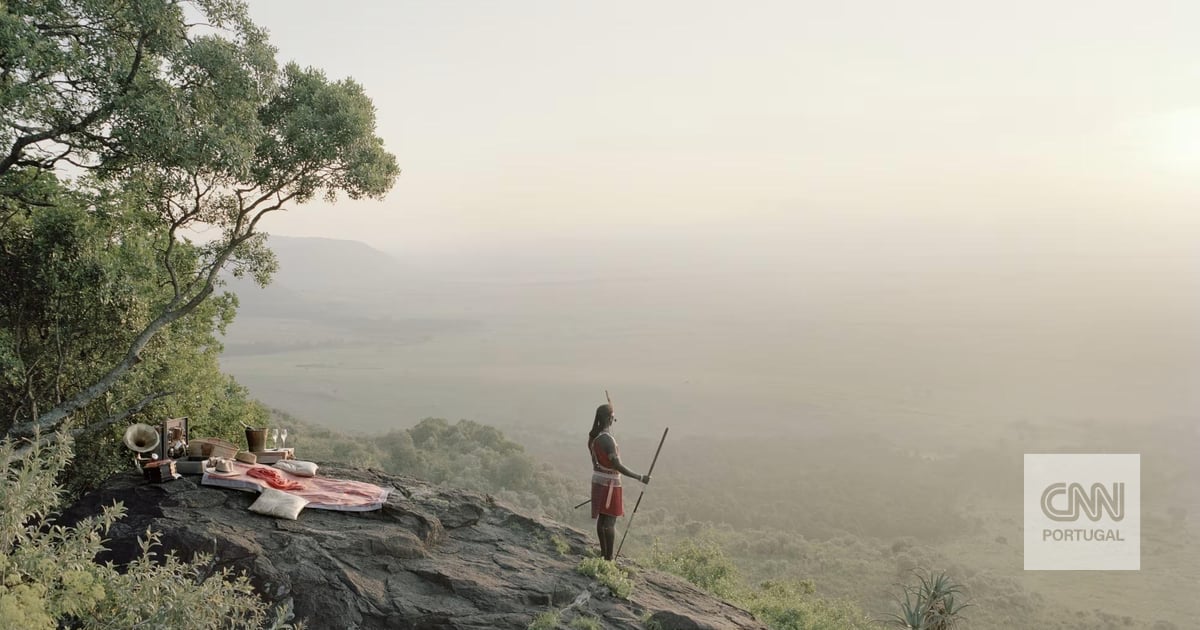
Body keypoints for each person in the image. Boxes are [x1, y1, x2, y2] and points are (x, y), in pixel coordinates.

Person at [587, 403, 649, 561]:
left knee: (602, 520)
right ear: (609, 418)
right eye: (613, 417)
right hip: (610, 484)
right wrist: (639, 477)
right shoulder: (607, 440)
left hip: (599, 480)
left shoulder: (594, 437)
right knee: (609, 521)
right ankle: (609, 559)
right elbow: (617, 466)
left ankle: (604, 556)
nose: (614, 420)